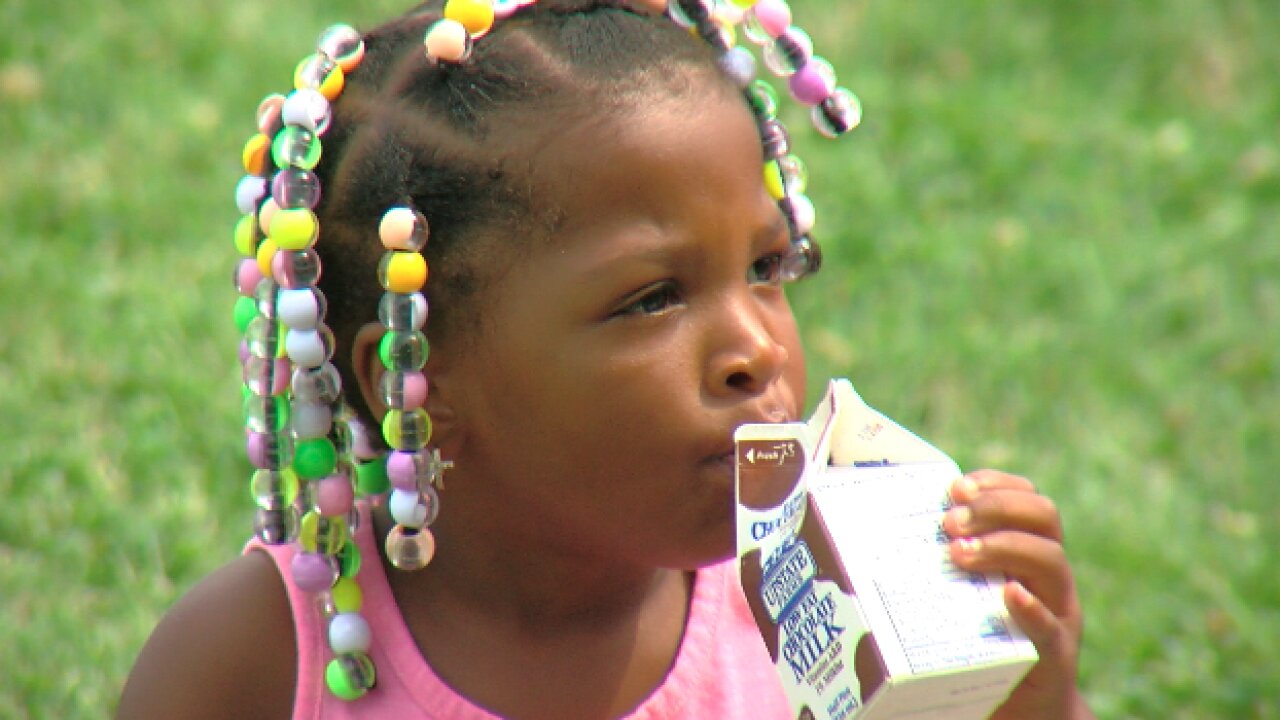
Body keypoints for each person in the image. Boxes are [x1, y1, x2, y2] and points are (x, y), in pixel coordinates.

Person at [118, 1, 1095, 718]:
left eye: (767, 266)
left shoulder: (818, 613)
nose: (754, 350)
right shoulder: (253, 663)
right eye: (651, 298)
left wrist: (1020, 697)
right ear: (422, 381)